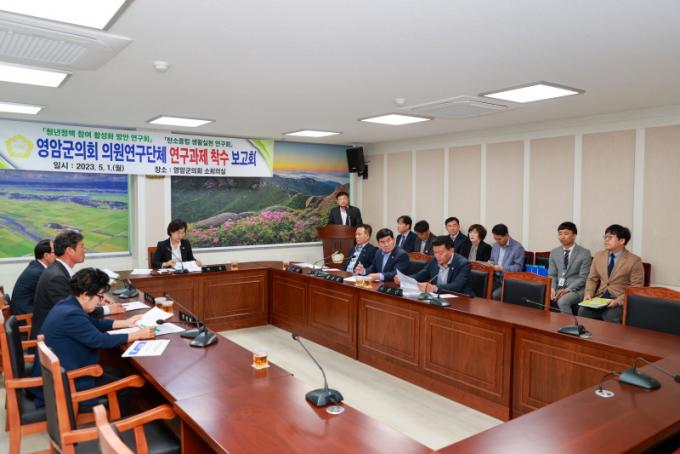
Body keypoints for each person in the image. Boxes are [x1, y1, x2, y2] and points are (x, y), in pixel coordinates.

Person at [30, 268, 155, 407]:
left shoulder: (68, 303)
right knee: (125, 387)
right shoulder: (70, 314)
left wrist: (125, 323)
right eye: (100, 296)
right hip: (68, 383)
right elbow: (100, 341)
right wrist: (137, 335)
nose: (100, 302)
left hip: (63, 372)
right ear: (85, 295)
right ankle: (122, 421)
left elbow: (93, 323)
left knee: (118, 371)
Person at [31, 231, 123, 339]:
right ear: (70, 251)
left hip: (62, 329)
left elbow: (76, 301)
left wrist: (97, 298)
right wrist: (107, 310)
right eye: (82, 247)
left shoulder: (59, 270)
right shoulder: (56, 277)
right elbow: (74, 310)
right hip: (51, 339)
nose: (84, 250)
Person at [579, 224, 644, 323]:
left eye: (610, 237)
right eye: (605, 237)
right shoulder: (599, 256)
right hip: (599, 298)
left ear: (622, 241)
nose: (606, 240)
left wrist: (618, 301)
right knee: (583, 311)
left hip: (619, 300)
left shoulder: (634, 260)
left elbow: (636, 287)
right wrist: (588, 294)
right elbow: (592, 278)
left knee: (610, 316)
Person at [398, 236, 474, 296]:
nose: (437, 256)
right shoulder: (433, 261)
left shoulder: (463, 264)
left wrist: (435, 288)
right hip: (437, 296)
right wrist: (404, 279)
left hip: (460, 299)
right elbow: (420, 275)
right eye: (435, 253)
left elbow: (456, 286)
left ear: (451, 250)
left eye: (440, 253)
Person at [548, 222, 592, 314]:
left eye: (566, 233)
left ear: (574, 236)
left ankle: (569, 323)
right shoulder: (554, 252)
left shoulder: (584, 253)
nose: (562, 237)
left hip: (576, 290)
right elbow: (552, 274)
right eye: (560, 234)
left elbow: (583, 278)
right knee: (539, 295)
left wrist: (567, 290)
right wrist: (552, 288)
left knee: (562, 301)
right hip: (558, 288)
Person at [10, 239, 55, 316]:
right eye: (55, 252)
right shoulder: (38, 272)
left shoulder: (36, 266)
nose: (58, 255)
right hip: (25, 315)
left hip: (27, 309)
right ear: (46, 256)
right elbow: (50, 296)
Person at [489, 224, 525, 300]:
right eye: (495, 239)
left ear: (506, 235)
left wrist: (502, 268)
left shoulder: (517, 247)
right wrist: (490, 264)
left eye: (499, 239)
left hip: (509, 280)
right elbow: (492, 260)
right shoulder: (495, 246)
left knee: (496, 295)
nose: (497, 241)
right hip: (495, 277)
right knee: (481, 287)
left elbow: (518, 268)